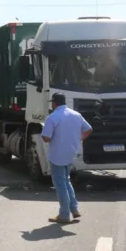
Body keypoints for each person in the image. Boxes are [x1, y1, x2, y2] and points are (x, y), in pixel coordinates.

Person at [41, 92, 93, 224]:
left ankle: (64, 214)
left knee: (60, 185)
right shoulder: (76, 115)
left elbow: (46, 138)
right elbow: (89, 129)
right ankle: (74, 208)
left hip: (57, 155)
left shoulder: (52, 117)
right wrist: (78, 138)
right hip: (71, 153)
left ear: (54, 103)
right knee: (66, 180)